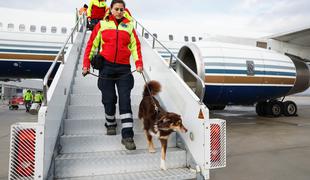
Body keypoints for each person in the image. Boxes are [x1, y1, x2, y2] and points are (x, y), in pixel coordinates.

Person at [83, 0, 143, 151]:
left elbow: (135, 46)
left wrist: (138, 63)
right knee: (109, 99)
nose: (119, 12)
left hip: (124, 69)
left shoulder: (129, 26)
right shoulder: (102, 25)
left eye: (122, 9)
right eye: (116, 9)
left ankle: (127, 135)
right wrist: (86, 64)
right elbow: (91, 45)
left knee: (125, 100)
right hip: (106, 68)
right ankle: (110, 123)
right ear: (110, 10)